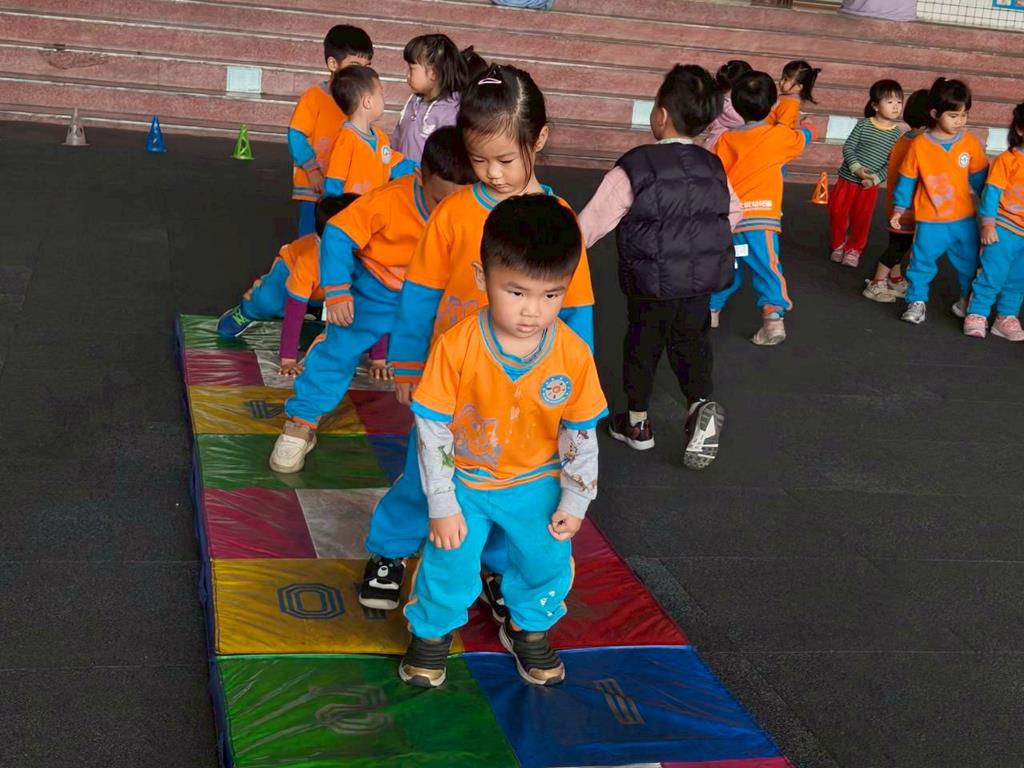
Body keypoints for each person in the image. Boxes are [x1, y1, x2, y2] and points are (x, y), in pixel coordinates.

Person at [359, 64, 596, 615]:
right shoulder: (454, 213)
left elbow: (577, 308)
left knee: (516, 490)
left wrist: (574, 386)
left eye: (506, 160)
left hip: (525, 388)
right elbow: (420, 294)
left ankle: (493, 567)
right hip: (453, 382)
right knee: (425, 476)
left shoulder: (559, 220)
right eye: (479, 160)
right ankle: (390, 550)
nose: (492, 173)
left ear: (539, 139)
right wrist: (408, 364)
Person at [398, 195, 607, 689]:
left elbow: (580, 433)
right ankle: (431, 633)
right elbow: (433, 429)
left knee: (545, 561)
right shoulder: (456, 346)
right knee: (449, 560)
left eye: (551, 295)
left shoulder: (573, 355)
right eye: (516, 292)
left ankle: (527, 628)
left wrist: (576, 498)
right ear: (481, 278)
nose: (533, 311)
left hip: (536, 481)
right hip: (466, 482)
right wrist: (442, 502)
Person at [267, 127, 474, 473]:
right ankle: (302, 420)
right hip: (377, 290)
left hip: (433, 295)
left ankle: (457, 434)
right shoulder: (390, 199)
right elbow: (337, 233)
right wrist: (337, 291)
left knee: (455, 357)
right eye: (440, 202)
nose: (449, 212)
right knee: (338, 349)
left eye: (460, 203)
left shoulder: (473, 207)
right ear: (421, 179)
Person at [579, 64, 739, 469]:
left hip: (651, 283)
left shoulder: (636, 165)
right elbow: (733, 212)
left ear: (661, 114)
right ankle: (699, 405)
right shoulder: (712, 165)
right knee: (693, 342)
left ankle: (637, 424)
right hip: (699, 282)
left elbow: (591, 222)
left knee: (643, 344)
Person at [709, 71, 816, 345]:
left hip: (731, 221)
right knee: (767, 267)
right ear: (772, 105)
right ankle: (773, 320)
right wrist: (809, 126)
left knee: (728, 266)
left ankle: (711, 310)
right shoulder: (778, 136)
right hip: (761, 221)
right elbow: (803, 138)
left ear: (735, 104)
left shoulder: (725, 140)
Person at [216, 194, 358, 375]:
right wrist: (288, 360)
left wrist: (379, 360)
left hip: (321, 287)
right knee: (269, 301)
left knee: (360, 310)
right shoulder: (308, 262)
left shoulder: (367, 257)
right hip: (289, 270)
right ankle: (247, 310)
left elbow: (378, 305)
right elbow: (294, 310)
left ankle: (314, 308)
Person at [890, 77, 989, 325]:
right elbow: (907, 180)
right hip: (930, 220)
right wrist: (899, 208)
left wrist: (992, 210)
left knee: (971, 263)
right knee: (921, 263)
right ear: (935, 114)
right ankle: (917, 301)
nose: (960, 121)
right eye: (953, 116)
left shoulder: (969, 142)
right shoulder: (919, 145)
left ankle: (967, 300)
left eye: (964, 115)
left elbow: (981, 180)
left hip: (963, 219)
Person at [288, 25, 372, 236]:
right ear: (333, 64)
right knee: (309, 237)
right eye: (355, 65)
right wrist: (312, 170)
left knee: (338, 235)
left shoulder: (360, 101)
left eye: (366, 67)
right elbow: (296, 135)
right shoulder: (314, 97)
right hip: (313, 186)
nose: (361, 74)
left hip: (343, 188)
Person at [963, 103, 1024, 341]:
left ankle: (1006, 317)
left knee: (1018, 278)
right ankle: (977, 313)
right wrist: (988, 224)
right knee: (992, 273)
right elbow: (991, 193)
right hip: (1004, 228)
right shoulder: (1007, 160)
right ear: (1020, 129)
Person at [862, 88, 930, 303]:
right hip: (907, 208)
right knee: (899, 246)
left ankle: (895, 277)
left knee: (898, 243)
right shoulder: (921, 143)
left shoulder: (904, 138)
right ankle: (877, 282)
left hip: (895, 204)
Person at [829, 79, 904, 268]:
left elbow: (891, 164)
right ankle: (838, 244)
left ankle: (854, 249)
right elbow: (848, 147)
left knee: (862, 219)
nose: (896, 106)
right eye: (890, 102)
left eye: (899, 102)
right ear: (875, 105)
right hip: (847, 180)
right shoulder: (864, 125)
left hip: (869, 186)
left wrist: (875, 179)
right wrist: (857, 169)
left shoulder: (897, 135)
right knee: (837, 212)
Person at [323, 66, 417, 198]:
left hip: (375, 208)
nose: (383, 99)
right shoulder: (346, 140)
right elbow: (333, 183)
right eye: (381, 94)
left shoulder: (381, 137)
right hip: (353, 209)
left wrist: (425, 169)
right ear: (368, 102)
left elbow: (396, 165)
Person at [392, 35, 481, 164]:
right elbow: (397, 137)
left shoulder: (451, 112)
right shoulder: (413, 101)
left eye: (411, 68)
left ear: (433, 73)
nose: (407, 74)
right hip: (400, 173)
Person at [698, 59, 752, 151]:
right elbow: (746, 122)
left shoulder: (716, 99)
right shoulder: (733, 110)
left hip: (711, 146)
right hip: (722, 149)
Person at [769, 59, 820, 129]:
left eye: (786, 79)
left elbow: (783, 129)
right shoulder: (785, 98)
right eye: (782, 77)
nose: (781, 82)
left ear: (799, 87)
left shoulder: (791, 103)